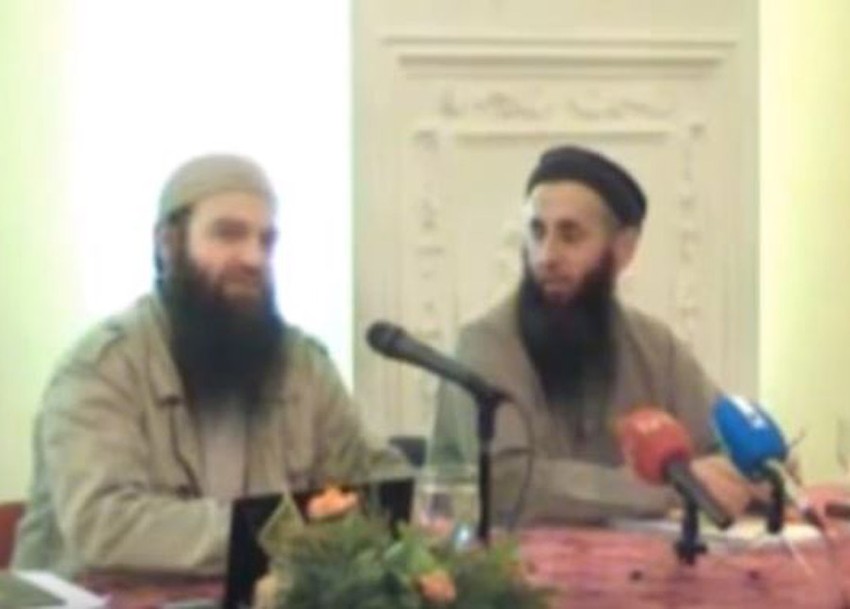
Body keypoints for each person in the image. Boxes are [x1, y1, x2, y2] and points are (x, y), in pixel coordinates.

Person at [13, 153, 405, 578]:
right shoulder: (102, 369)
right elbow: (105, 525)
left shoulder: (302, 365)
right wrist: (282, 532)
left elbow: (376, 481)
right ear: (168, 243)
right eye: (229, 234)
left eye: (266, 241)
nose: (253, 258)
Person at [429, 145, 758, 527]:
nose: (546, 256)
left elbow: (727, 446)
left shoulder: (655, 348)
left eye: (570, 236)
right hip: (502, 565)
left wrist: (754, 472)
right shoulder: (485, 345)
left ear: (623, 250)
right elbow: (505, 481)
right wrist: (672, 488)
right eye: (537, 232)